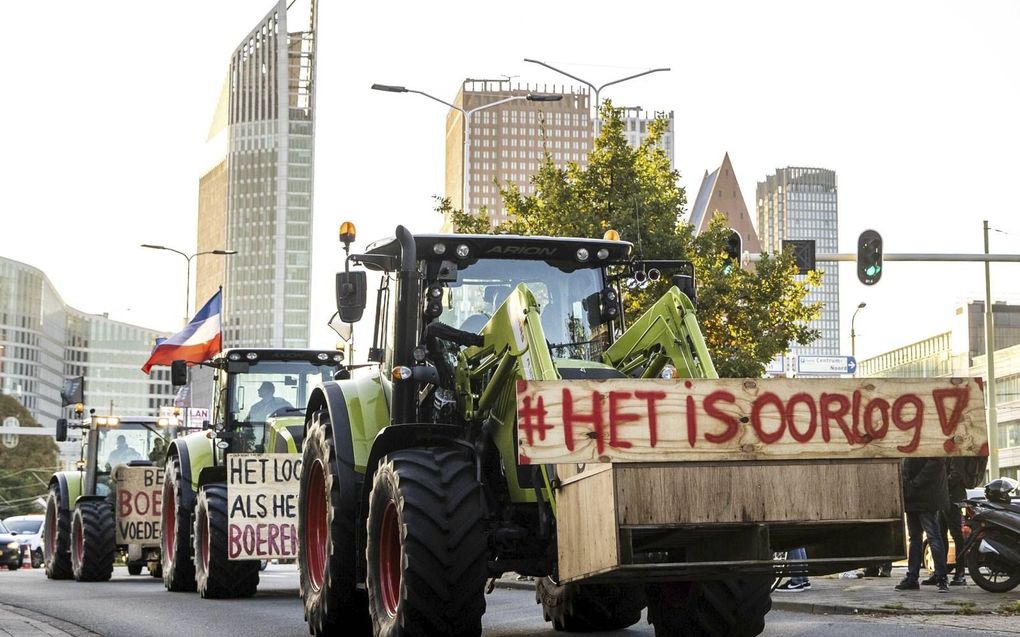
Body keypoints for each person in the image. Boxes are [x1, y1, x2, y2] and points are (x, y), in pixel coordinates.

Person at [896, 457, 950, 593]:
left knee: (931, 536)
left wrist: (915, 482)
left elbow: (936, 462)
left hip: (924, 495)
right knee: (918, 537)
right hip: (915, 494)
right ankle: (915, 576)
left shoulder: (928, 445)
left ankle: (940, 576)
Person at [924, 457, 968, 586]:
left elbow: (957, 475)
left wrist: (939, 484)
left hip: (953, 499)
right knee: (940, 535)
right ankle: (940, 573)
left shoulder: (956, 455)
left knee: (957, 536)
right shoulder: (945, 454)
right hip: (942, 498)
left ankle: (960, 573)